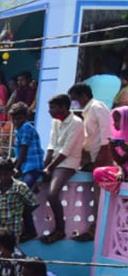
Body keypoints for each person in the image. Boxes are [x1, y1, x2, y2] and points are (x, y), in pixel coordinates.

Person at [41, 93, 85, 244]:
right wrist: (44, 166)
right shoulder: (56, 122)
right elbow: (51, 145)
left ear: (63, 107)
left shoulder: (77, 123)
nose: (49, 111)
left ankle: (60, 229)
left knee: (52, 195)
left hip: (67, 163)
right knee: (32, 185)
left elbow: (66, 151)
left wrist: (50, 168)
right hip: (55, 161)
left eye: (52, 107)